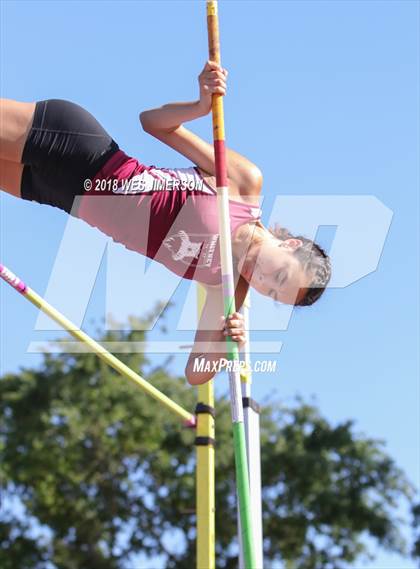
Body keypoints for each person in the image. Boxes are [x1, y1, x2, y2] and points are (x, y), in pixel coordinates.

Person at [0, 61, 331, 385]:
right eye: (280, 274)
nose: (262, 280)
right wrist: (200, 106)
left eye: (271, 291)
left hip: (62, 195)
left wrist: (223, 345)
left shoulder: (229, 286)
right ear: (291, 244)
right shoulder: (244, 185)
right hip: (80, 150)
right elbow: (152, 122)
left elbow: (195, 373)